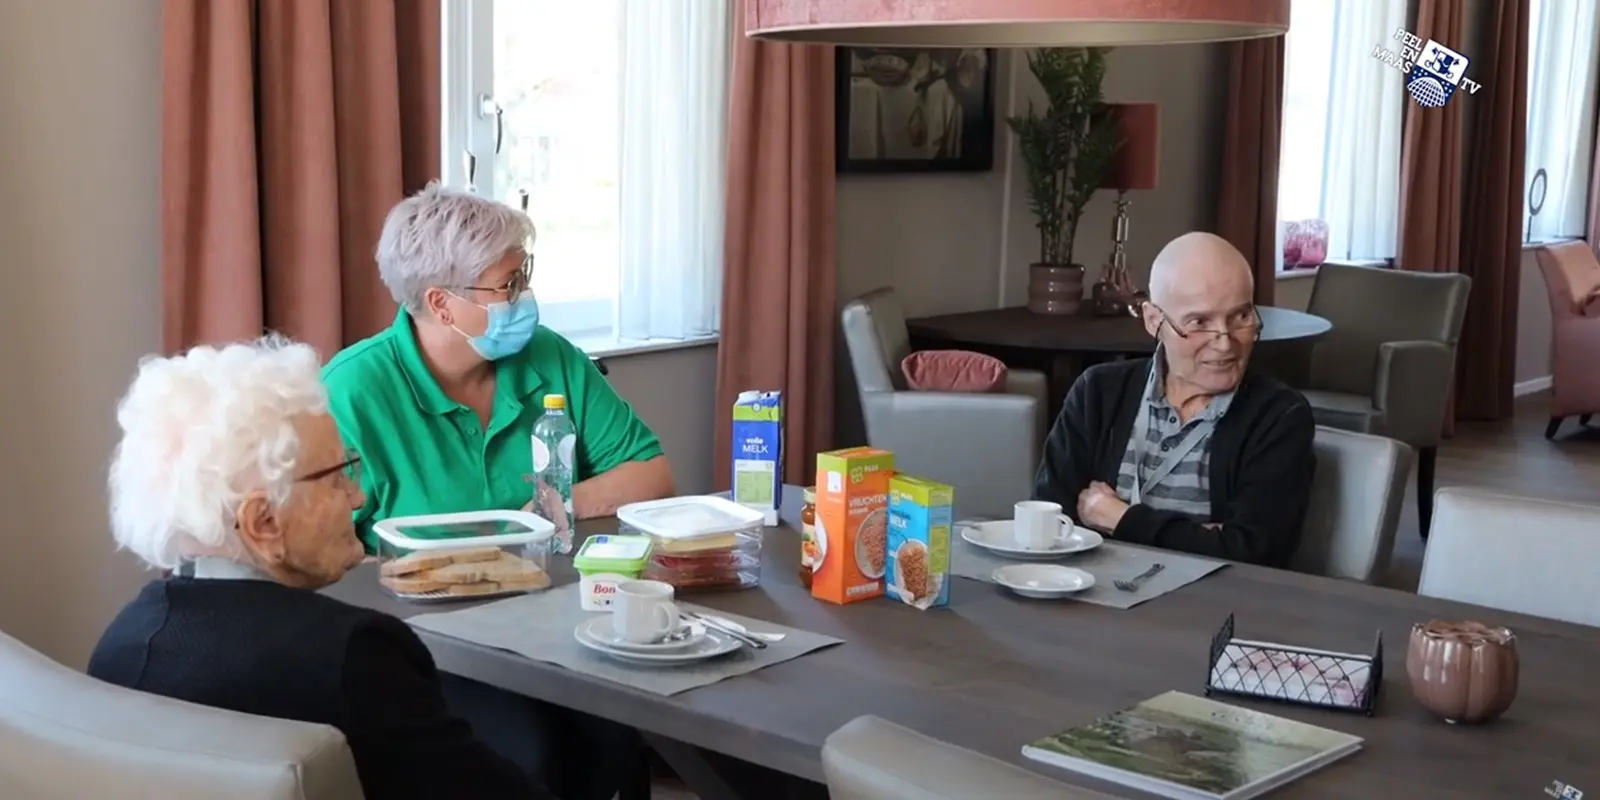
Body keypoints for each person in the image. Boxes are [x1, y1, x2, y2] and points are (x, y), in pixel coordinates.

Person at [86, 336, 555, 799]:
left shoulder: (119, 649)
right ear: (263, 522)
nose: (358, 497)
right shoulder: (354, 656)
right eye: (337, 477)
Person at [323, 183, 674, 552]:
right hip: (415, 603)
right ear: (441, 303)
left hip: (554, 590)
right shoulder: (348, 393)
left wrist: (547, 508)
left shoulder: (548, 354)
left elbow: (651, 476)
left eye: (525, 276)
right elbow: (321, 554)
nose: (525, 295)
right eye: (509, 284)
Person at [1031, 232, 1316, 568]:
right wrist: (1204, 536)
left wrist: (1121, 519)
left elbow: (1254, 552)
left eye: (1241, 317)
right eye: (1199, 322)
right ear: (1154, 320)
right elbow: (1049, 522)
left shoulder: (1280, 415)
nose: (1225, 343)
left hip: (1210, 608)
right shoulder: (1098, 393)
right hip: (1087, 596)